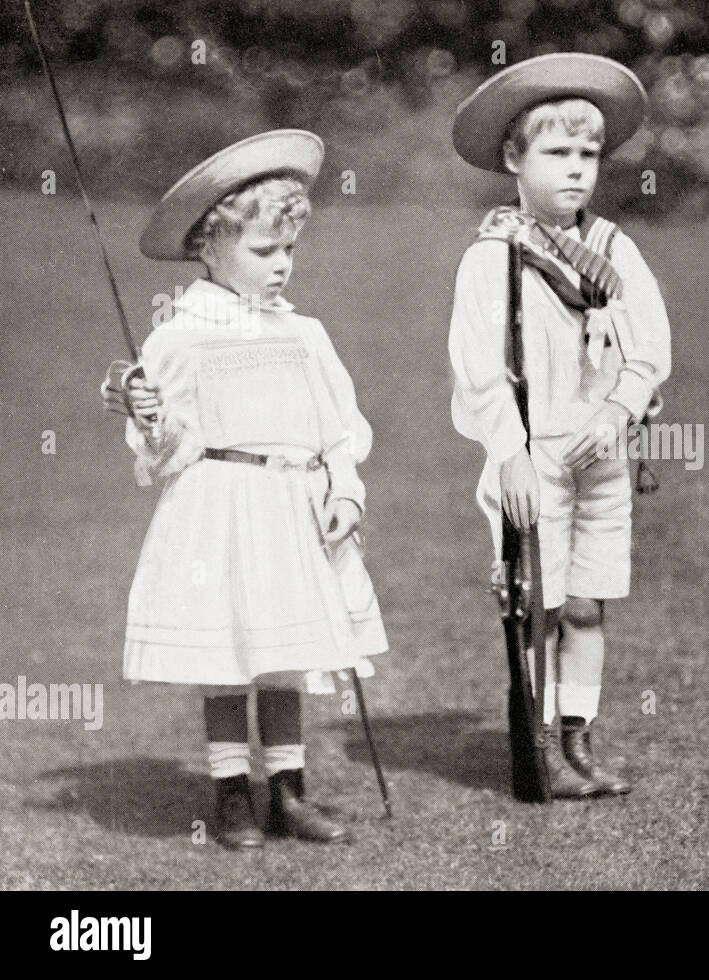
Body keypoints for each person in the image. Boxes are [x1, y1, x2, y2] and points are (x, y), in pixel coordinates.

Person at [103, 130, 386, 849]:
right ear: (209, 246)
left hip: (292, 509)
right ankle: (232, 796)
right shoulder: (182, 336)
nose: (282, 266)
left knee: (284, 657)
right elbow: (167, 451)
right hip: (219, 510)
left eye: (288, 250)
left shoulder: (306, 335)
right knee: (229, 657)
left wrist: (344, 492)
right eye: (264, 251)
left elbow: (338, 431)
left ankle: (288, 793)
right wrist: (151, 418)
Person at [448, 54, 671, 797]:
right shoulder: (492, 257)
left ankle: (579, 744)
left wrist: (617, 411)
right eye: (556, 153)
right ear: (514, 157)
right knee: (536, 605)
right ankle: (538, 746)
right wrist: (507, 454)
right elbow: (478, 369)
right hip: (532, 457)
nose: (575, 171)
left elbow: (650, 350)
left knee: (586, 605)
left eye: (588, 155)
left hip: (600, 454)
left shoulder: (613, 251)